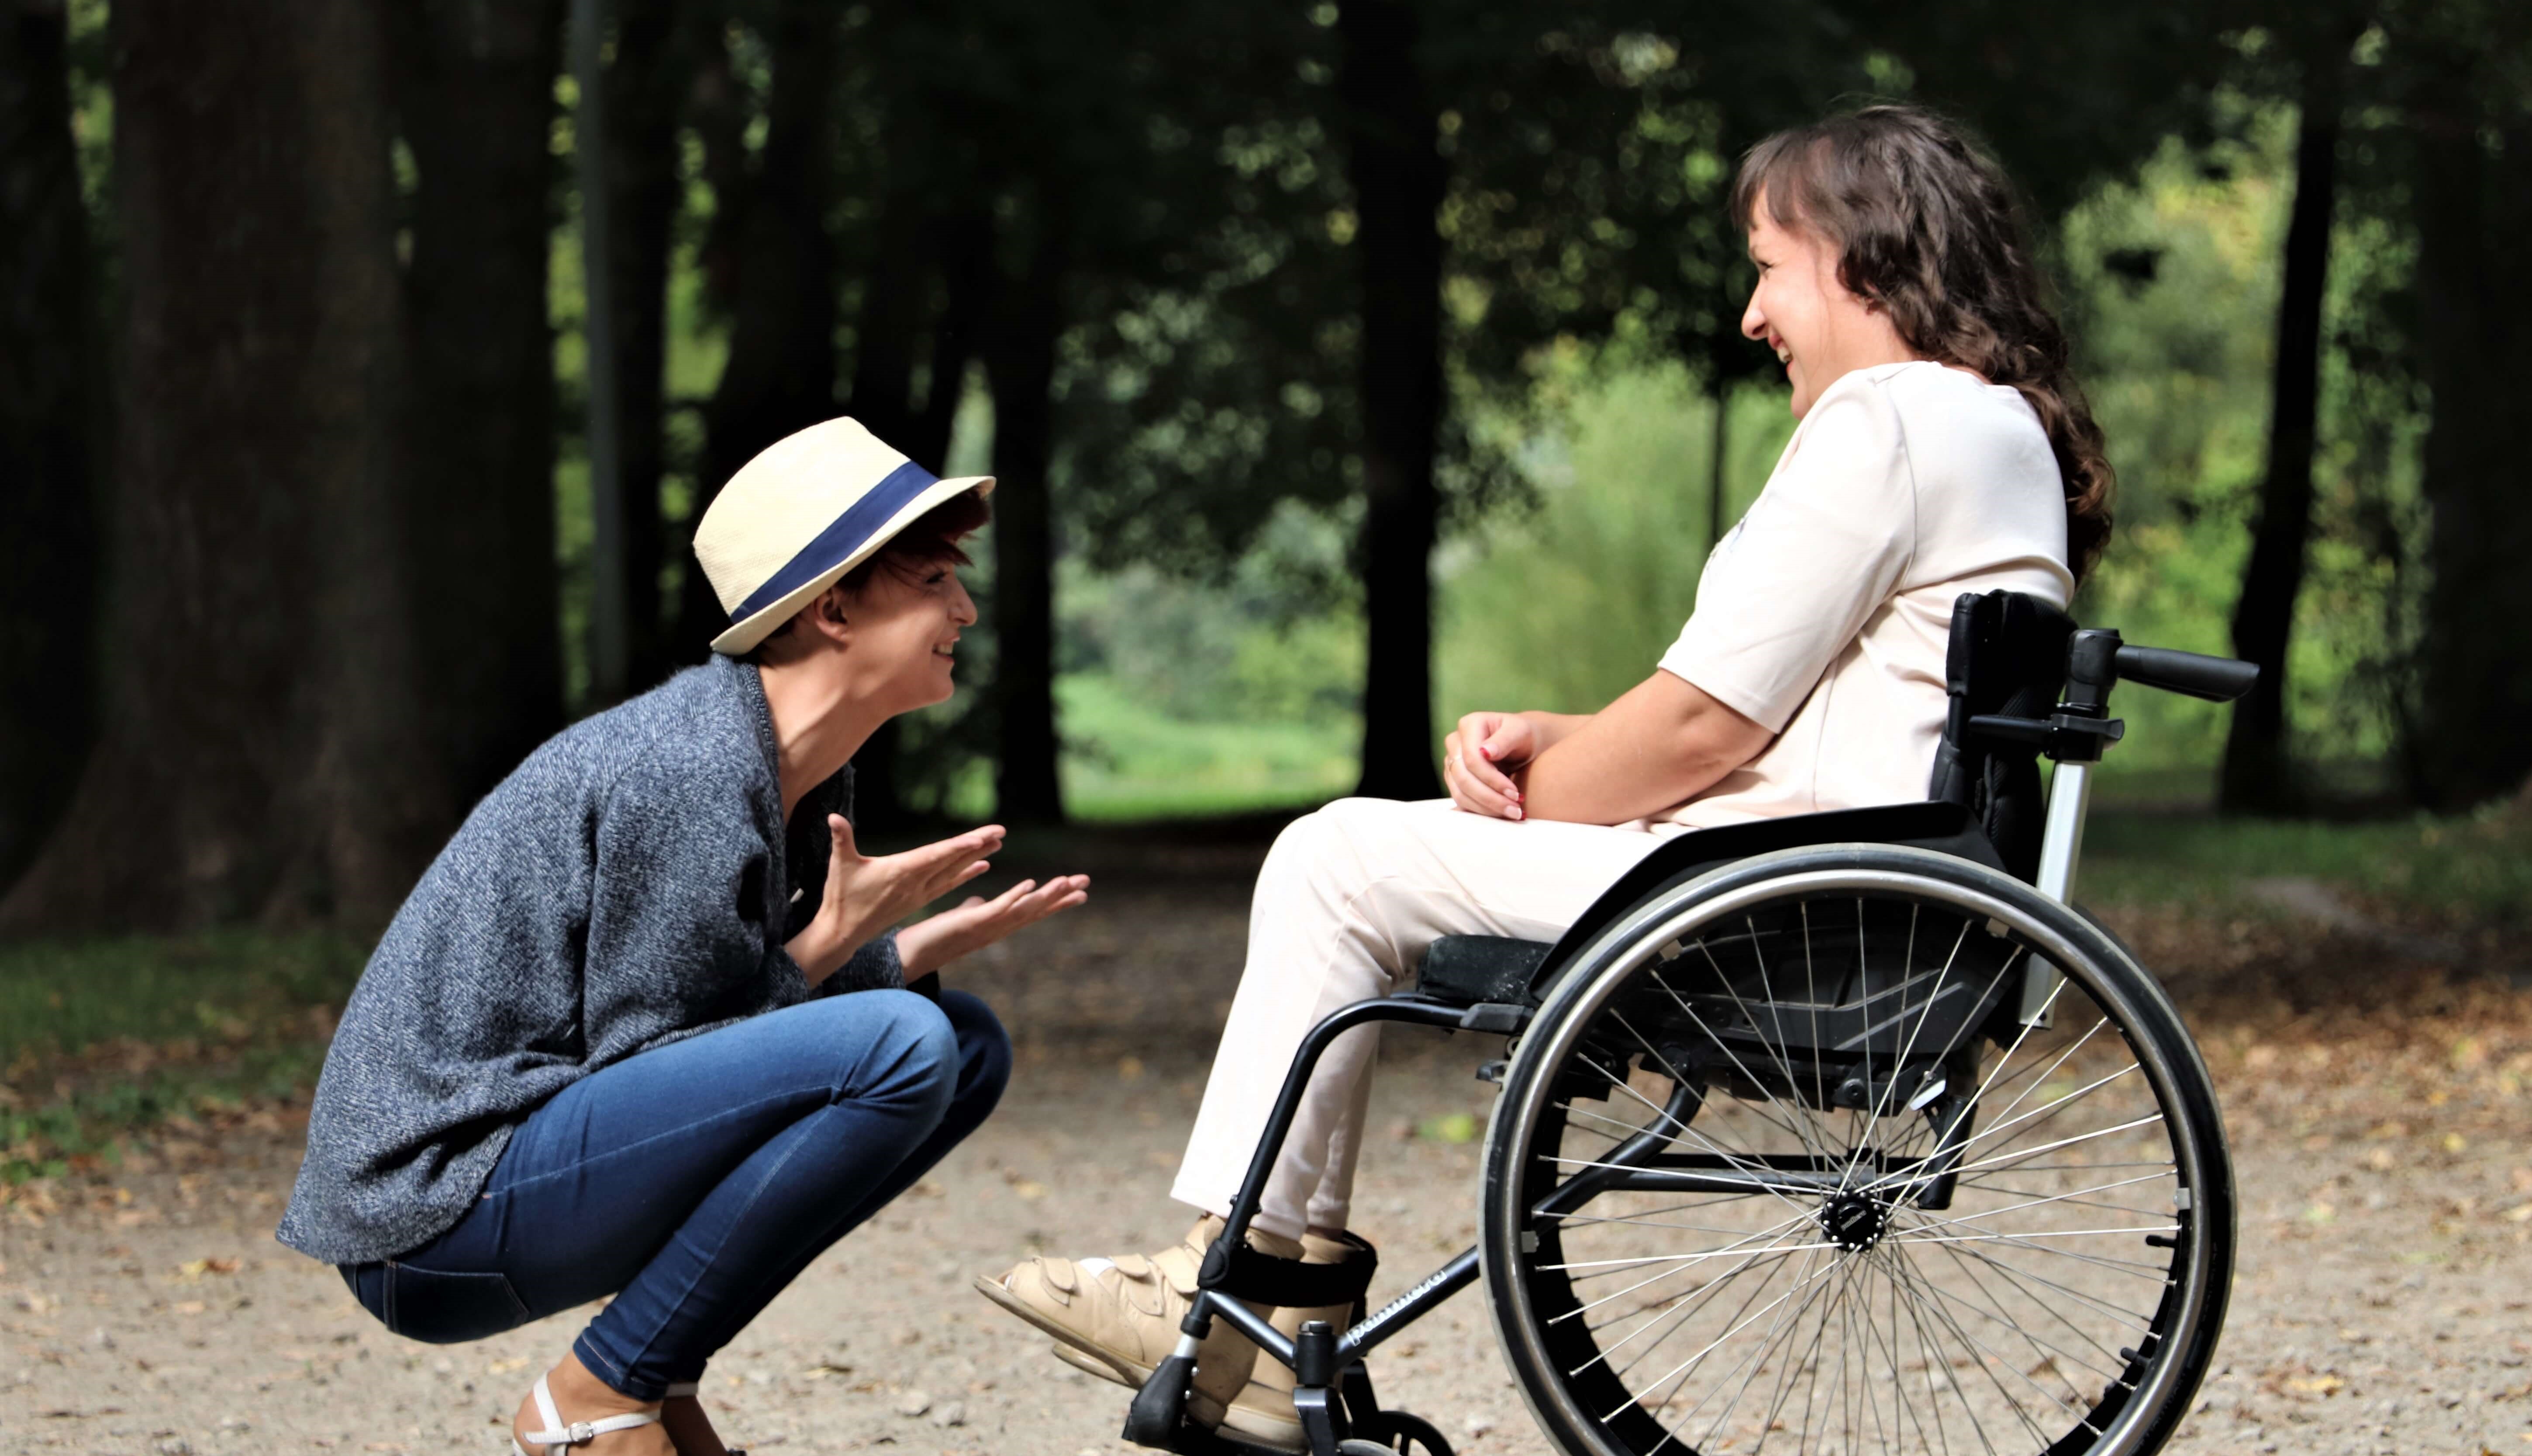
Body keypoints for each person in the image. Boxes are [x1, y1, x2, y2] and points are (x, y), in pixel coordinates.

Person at [974, 102, 2115, 1450]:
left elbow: (1700, 734)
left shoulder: (1890, 418)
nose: (1752, 316)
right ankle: (1251, 1298)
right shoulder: (1993, 430)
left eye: (1765, 266)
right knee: (1363, 852)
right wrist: (1552, 737)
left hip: (1783, 899)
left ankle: (1232, 1302)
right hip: (1859, 881)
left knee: (1335, 857)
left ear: (1860, 256)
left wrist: (1534, 785)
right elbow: (1772, 717)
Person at [279, 418, 1090, 1456]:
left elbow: (715, 1027)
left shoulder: (781, 764)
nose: (965, 609)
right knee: (902, 1042)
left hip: (525, 1165)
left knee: (962, 1042)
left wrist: (893, 951)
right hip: (432, 1211)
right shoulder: (690, 767)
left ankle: (646, 1380)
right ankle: (595, 1399)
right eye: (935, 578)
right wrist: (838, 949)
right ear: (833, 606)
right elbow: (659, 1058)